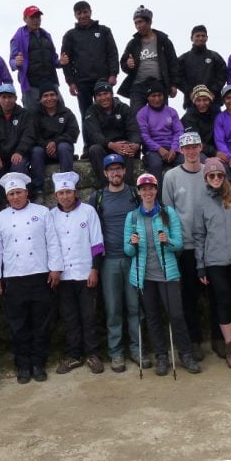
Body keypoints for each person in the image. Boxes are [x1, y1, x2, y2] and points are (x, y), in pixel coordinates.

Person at [0, 172, 64, 383]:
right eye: (11, 194)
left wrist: (55, 269)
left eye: (19, 192)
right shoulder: (0, 219)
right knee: (18, 326)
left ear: (26, 192)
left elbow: (52, 242)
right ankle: (23, 366)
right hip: (14, 278)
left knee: (41, 323)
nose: (16, 197)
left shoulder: (42, 212)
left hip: (40, 275)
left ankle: (38, 364)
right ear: (7, 197)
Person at [123, 173, 201, 375]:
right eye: (143, 189)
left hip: (168, 273)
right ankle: (161, 357)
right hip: (144, 276)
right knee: (152, 317)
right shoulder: (132, 217)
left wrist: (167, 241)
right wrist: (132, 244)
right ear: (138, 192)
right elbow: (128, 251)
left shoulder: (168, 213)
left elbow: (179, 244)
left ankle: (186, 354)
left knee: (176, 315)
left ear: (156, 190)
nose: (147, 192)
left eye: (151, 188)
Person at [193, 158, 231, 369]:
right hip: (214, 260)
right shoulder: (201, 201)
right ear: (206, 178)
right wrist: (200, 265)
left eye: (219, 174)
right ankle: (229, 346)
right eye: (211, 175)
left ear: (224, 176)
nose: (216, 178)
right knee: (223, 302)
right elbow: (199, 235)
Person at [88, 154, 145, 371]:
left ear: (124, 171)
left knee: (135, 307)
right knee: (113, 309)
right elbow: (92, 230)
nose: (115, 173)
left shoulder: (134, 193)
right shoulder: (98, 197)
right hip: (109, 261)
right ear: (105, 173)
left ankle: (137, 349)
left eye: (118, 168)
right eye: (111, 169)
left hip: (134, 258)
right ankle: (116, 353)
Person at [160, 131, 214, 361]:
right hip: (186, 246)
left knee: (216, 294)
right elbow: (167, 212)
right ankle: (194, 341)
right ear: (181, 150)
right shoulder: (171, 176)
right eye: (186, 148)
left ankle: (220, 340)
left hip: (211, 243)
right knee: (189, 297)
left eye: (194, 146)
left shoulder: (209, 172)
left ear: (201, 147)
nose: (191, 151)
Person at [49, 171, 106, 375]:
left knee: (89, 316)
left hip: (85, 274)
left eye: (68, 192)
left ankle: (93, 354)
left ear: (75, 193)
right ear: (56, 196)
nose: (65, 196)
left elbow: (97, 243)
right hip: (63, 276)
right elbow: (50, 245)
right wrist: (54, 270)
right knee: (69, 318)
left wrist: (94, 269)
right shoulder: (51, 216)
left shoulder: (88, 212)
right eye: (61, 193)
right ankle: (73, 355)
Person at [60, 0, 120, 122]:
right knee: (87, 116)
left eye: (85, 12)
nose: (82, 16)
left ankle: (110, 135)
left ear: (90, 12)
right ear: (75, 15)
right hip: (82, 83)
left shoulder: (104, 31)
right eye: (79, 13)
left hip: (103, 80)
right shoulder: (70, 35)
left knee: (108, 112)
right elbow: (65, 62)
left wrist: (113, 74)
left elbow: (112, 54)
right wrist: (71, 82)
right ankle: (89, 136)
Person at [117, 5, 181, 115]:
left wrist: (174, 85)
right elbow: (123, 63)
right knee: (136, 116)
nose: (138, 26)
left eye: (140, 22)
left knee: (162, 116)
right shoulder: (133, 43)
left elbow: (173, 63)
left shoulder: (163, 41)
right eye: (136, 23)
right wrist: (128, 64)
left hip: (159, 84)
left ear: (149, 22)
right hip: (138, 85)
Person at [0, 83, 35, 206]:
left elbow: (29, 135)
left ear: (15, 98)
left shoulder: (25, 114)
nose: (7, 100)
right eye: (4, 97)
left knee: (19, 166)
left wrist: (19, 151)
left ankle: (24, 199)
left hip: (18, 154)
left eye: (10, 97)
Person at [82, 78, 142, 188]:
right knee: (94, 149)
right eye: (99, 95)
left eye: (106, 93)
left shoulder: (123, 108)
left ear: (112, 94)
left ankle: (128, 187)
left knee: (127, 146)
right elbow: (94, 134)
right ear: (95, 97)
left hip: (121, 145)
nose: (103, 98)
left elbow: (133, 128)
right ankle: (106, 187)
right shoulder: (91, 111)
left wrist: (135, 144)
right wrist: (110, 145)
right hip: (104, 146)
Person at [10, 5, 63, 111]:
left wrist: (61, 62)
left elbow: (54, 60)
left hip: (50, 82)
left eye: (38, 17)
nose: (36, 20)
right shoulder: (18, 37)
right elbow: (12, 61)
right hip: (31, 85)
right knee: (32, 117)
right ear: (25, 19)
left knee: (61, 112)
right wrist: (16, 63)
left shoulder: (46, 35)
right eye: (32, 17)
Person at [29, 85, 79, 198]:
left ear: (57, 96)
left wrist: (55, 142)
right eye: (45, 96)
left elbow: (74, 132)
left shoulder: (66, 112)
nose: (49, 98)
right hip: (43, 150)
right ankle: (38, 190)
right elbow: (33, 135)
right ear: (40, 99)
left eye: (52, 95)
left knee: (64, 147)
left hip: (62, 148)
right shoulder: (35, 115)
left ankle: (67, 186)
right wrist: (46, 146)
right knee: (36, 151)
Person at [136, 79, 185, 184]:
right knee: (156, 165)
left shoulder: (171, 111)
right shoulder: (142, 113)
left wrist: (174, 148)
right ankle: (159, 194)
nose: (157, 99)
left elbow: (179, 131)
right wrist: (158, 148)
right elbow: (144, 136)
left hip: (172, 147)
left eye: (159, 95)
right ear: (148, 97)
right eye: (153, 96)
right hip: (153, 150)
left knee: (184, 162)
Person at [177, 25, 227, 110]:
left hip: (214, 103)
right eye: (197, 36)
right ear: (191, 38)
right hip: (191, 104)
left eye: (203, 36)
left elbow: (223, 74)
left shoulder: (215, 57)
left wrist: (213, 91)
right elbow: (177, 77)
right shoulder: (183, 59)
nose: (200, 38)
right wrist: (189, 91)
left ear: (207, 38)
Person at [180, 84, 220, 159]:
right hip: (196, 149)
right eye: (198, 100)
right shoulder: (188, 118)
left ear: (210, 100)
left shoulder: (216, 113)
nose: (202, 104)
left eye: (205, 100)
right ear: (194, 102)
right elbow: (195, 141)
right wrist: (215, 153)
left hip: (215, 148)